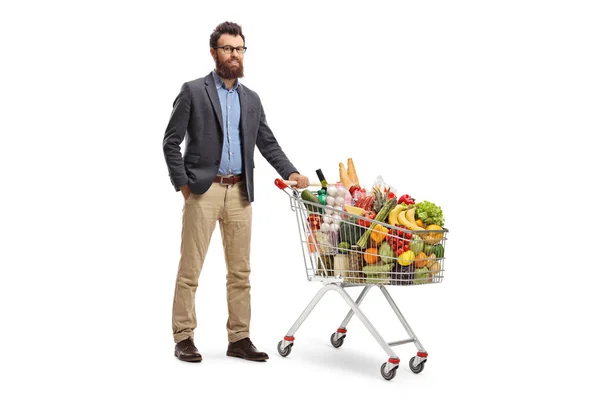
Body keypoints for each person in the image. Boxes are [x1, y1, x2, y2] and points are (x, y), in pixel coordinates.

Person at [162, 21, 309, 363]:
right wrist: (184, 185)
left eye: (239, 49)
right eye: (227, 48)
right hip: (203, 191)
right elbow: (171, 142)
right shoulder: (193, 91)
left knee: (240, 272)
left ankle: (239, 338)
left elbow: (267, 142)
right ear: (214, 52)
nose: (234, 54)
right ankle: (183, 336)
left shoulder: (251, 99)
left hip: (241, 193)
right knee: (191, 269)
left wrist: (291, 172)